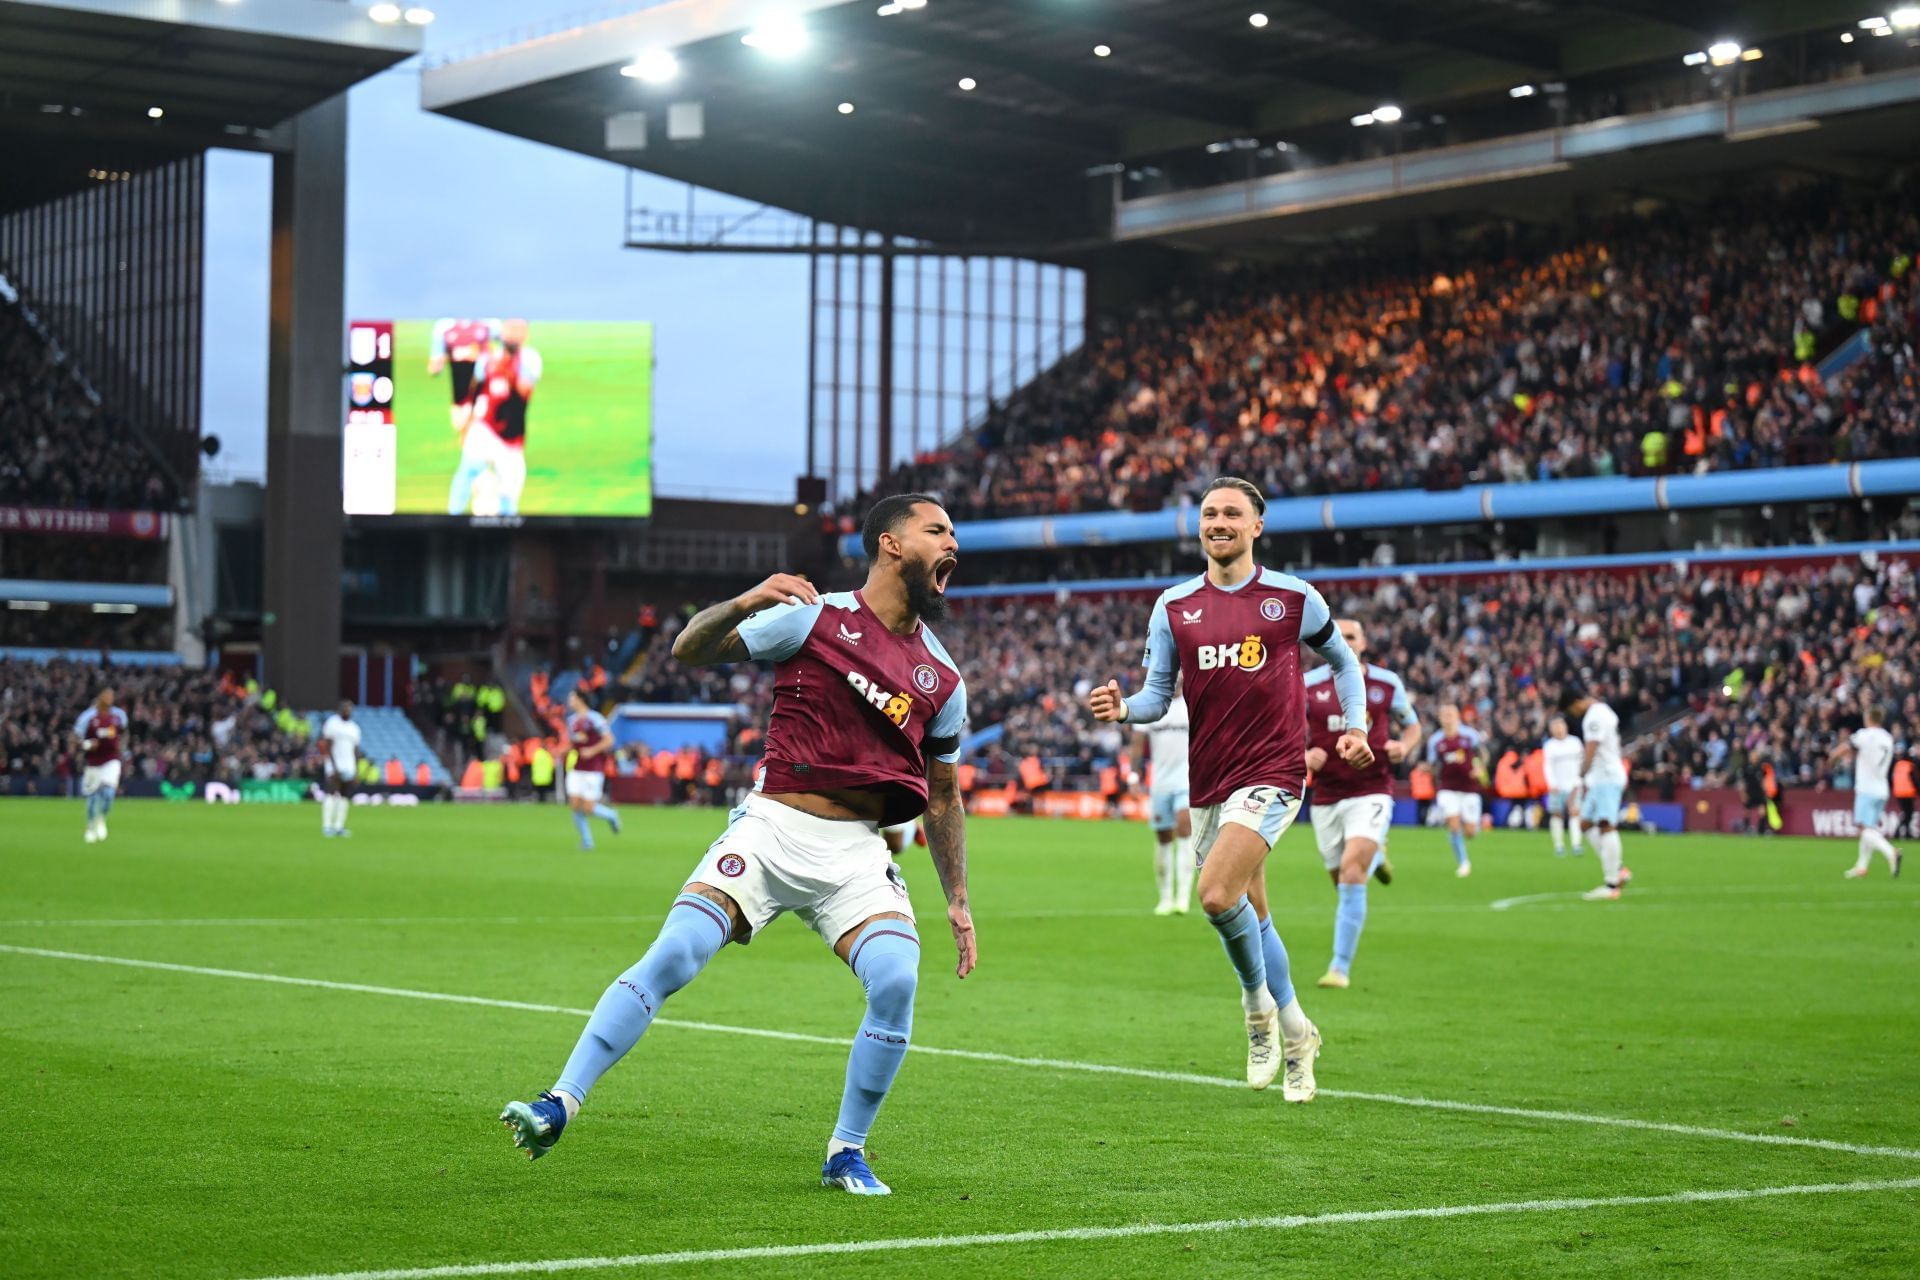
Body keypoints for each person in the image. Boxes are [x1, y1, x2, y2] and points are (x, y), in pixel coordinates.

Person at [501, 494, 974, 1197]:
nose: (952, 543)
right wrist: (747, 599)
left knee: (898, 978)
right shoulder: (812, 618)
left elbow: (941, 795)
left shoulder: (943, 678)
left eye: (954, 534)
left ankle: (847, 1151)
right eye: (937, 530)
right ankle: (558, 1102)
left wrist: (958, 900)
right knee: (675, 951)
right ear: (891, 545)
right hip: (772, 827)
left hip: (855, 852)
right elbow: (689, 648)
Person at [1088, 476, 1372, 1103]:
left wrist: (1356, 724)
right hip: (1208, 778)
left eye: (1231, 514)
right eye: (1210, 513)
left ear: (1256, 526)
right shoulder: (1173, 607)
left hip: (1273, 772)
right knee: (1254, 913)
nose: (1218, 522)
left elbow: (1344, 664)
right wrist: (1121, 708)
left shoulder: (1293, 599)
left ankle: (1256, 1013)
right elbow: (1158, 697)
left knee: (1216, 895)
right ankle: (1298, 1031)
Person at [1300, 619, 1420, 989]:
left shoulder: (1386, 684)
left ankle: (1339, 968)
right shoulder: (1308, 686)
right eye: (1338, 637)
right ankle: (1378, 857)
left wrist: (1406, 746)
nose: (1345, 642)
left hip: (1372, 788)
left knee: (1352, 873)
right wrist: (1303, 755)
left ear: (1364, 642)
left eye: (1351, 636)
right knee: (1341, 880)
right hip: (1327, 796)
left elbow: (1412, 725)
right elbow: (1284, 730)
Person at [448, 318, 541, 517]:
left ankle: (509, 532)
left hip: (511, 435)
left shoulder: (530, 359)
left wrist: (505, 368)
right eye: (510, 328)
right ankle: (451, 519)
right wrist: (466, 426)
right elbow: (475, 391)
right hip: (485, 427)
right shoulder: (487, 358)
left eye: (519, 329)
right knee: (467, 471)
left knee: (509, 492)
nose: (513, 334)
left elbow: (524, 391)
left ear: (525, 334)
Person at [1122, 686, 1193, 916]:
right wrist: (1133, 777)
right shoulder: (1151, 706)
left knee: (1185, 830)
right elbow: (1137, 746)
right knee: (1163, 838)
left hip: (1187, 781)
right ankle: (1165, 898)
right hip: (1160, 783)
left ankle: (1183, 897)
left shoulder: (1192, 704)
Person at [1561, 688, 1633, 900]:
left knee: (1605, 823)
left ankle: (1612, 886)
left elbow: (1592, 748)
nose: (1574, 714)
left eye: (1572, 710)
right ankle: (1617, 868)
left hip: (1606, 777)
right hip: (1601, 777)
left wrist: (1580, 776)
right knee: (1585, 823)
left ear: (1576, 702)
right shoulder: (1604, 711)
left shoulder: (1595, 716)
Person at [1834, 707, 1902, 879]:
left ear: (1869, 718)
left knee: (1862, 828)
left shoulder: (1865, 734)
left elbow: (1847, 747)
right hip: (1882, 788)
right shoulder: (1887, 737)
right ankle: (1861, 866)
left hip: (1867, 788)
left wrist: (1832, 757)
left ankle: (1890, 852)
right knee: (1868, 828)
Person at [1427, 703, 1486, 877]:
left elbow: (1483, 754)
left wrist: (1481, 768)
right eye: (1444, 714)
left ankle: (1473, 826)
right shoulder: (1435, 741)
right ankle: (1463, 863)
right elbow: (1433, 764)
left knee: (1471, 833)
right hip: (1447, 788)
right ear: (1440, 718)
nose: (1447, 717)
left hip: (1469, 788)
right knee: (1453, 825)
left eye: (1450, 714)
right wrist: (1429, 773)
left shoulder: (1470, 736)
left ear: (1457, 716)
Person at [563, 688, 623, 851]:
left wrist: (592, 750)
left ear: (580, 699)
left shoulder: (596, 719)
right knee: (575, 804)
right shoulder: (571, 721)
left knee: (588, 808)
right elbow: (573, 743)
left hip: (594, 768)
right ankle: (587, 841)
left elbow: (609, 740)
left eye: (572, 697)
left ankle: (611, 815)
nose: (570, 701)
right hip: (577, 767)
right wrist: (562, 750)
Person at [72, 688, 127, 844]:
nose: (109, 698)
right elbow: (75, 739)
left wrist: (121, 747)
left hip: (111, 760)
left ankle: (101, 818)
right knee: (92, 798)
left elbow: (124, 732)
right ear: (99, 698)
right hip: (93, 763)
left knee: (109, 793)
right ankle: (89, 826)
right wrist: (87, 744)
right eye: (106, 696)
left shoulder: (118, 716)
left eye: (111, 696)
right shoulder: (87, 717)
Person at [427, 317, 498, 434]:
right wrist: (454, 355)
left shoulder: (489, 323)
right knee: (463, 431)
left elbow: (506, 350)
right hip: (460, 395)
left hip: (484, 392)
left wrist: (487, 354)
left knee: (480, 432)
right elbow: (433, 367)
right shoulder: (443, 326)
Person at [1542, 715, 1586, 856]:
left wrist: (1579, 781)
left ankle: (1576, 844)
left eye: (1560, 725)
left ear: (1565, 726)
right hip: (1557, 786)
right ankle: (1559, 845)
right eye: (1555, 727)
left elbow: (1581, 763)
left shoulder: (1575, 743)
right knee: (1557, 814)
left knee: (1575, 813)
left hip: (1573, 785)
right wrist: (1551, 783)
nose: (1558, 729)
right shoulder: (1549, 746)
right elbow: (1547, 766)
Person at [319, 701, 362, 838]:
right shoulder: (333, 723)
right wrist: (333, 766)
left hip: (349, 766)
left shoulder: (354, 728)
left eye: (349, 709)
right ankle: (327, 826)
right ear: (339, 709)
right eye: (345, 708)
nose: (347, 711)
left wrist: (356, 770)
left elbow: (355, 750)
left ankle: (339, 826)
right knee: (331, 793)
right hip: (334, 765)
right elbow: (327, 746)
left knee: (344, 796)